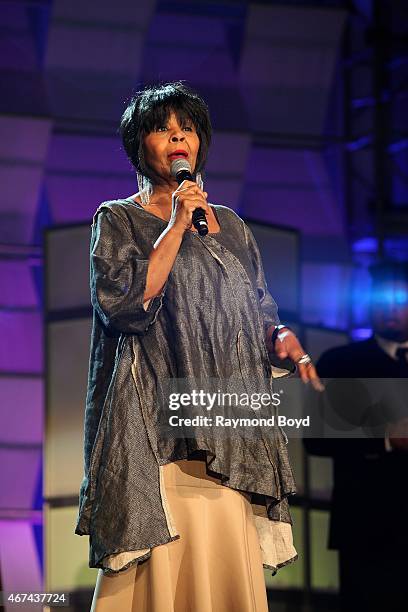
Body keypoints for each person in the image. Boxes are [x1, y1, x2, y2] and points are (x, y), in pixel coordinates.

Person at [75, 81, 323, 612]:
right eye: (162, 130)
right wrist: (177, 222)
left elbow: (258, 308)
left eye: (185, 129)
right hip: (156, 434)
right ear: (139, 146)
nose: (176, 138)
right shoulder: (117, 219)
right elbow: (124, 305)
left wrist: (279, 338)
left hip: (227, 433)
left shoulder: (230, 225)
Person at [303, 260, 408, 612]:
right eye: (380, 299)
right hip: (367, 525)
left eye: (399, 298)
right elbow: (315, 439)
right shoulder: (342, 362)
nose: (389, 308)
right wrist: (387, 439)